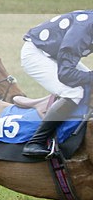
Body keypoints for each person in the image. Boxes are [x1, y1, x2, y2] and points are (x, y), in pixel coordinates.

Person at [20, 10, 93, 158]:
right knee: (74, 92)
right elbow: (66, 74)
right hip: (36, 54)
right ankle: (35, 142)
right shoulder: (83, 29)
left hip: (56, 55)